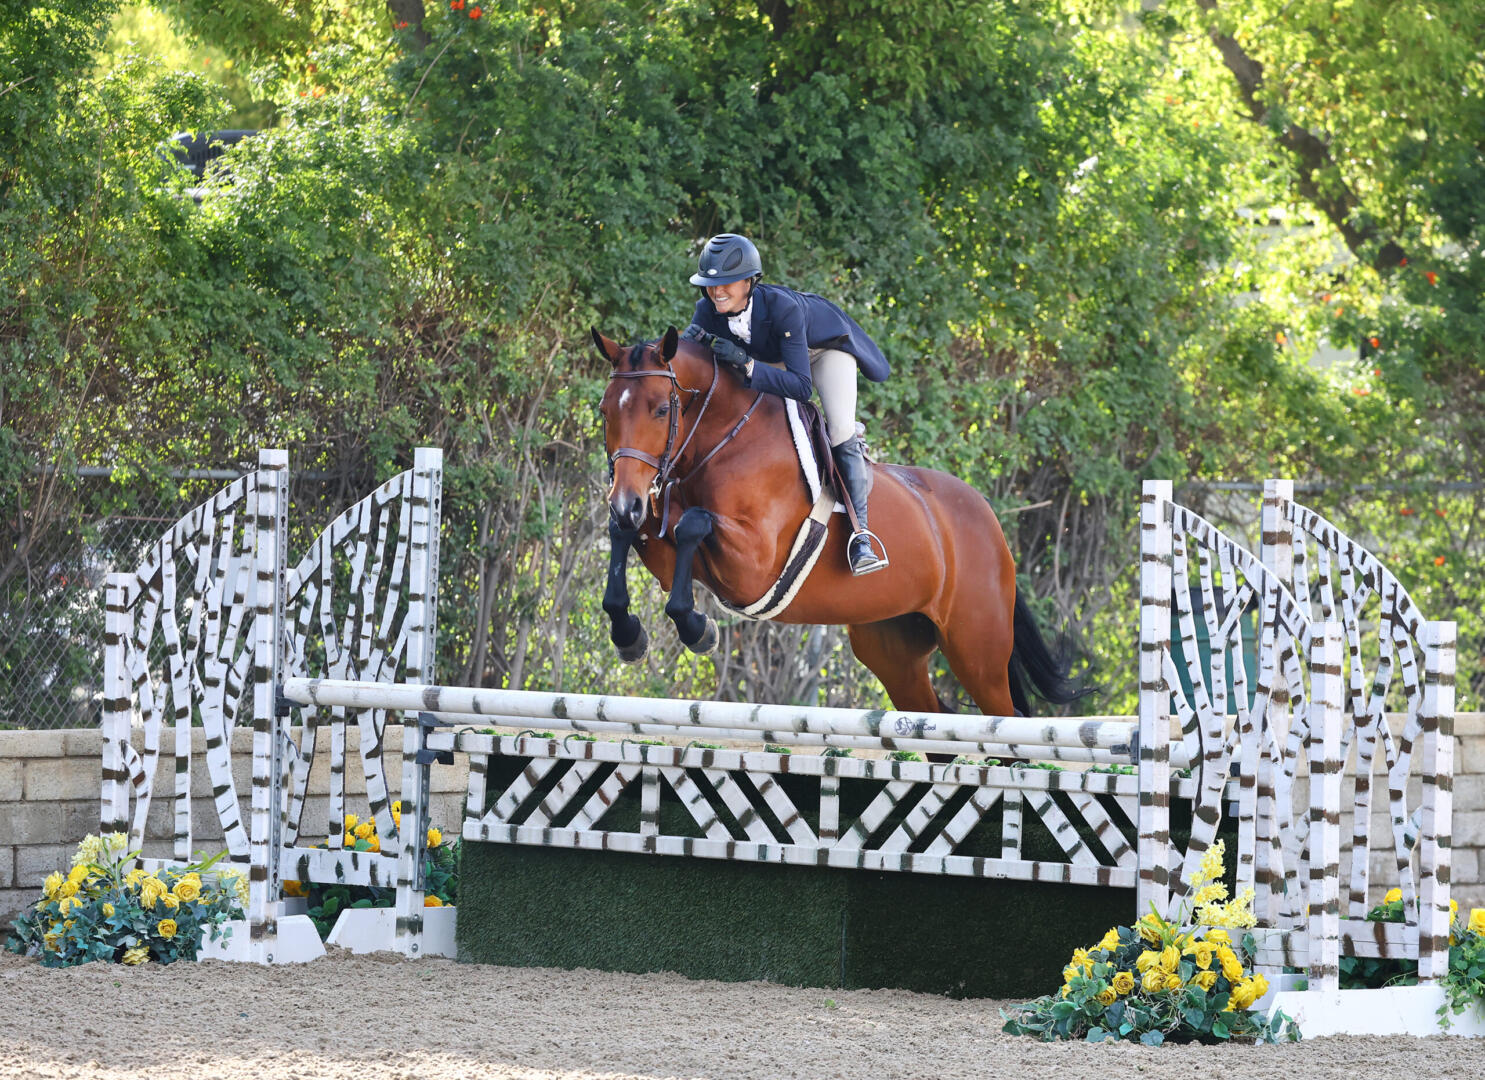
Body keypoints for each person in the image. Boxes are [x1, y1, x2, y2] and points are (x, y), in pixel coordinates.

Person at [680, 233, 891, 575]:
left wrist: (746, 365)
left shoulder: (782, 307)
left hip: (823, 352)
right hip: (774, 358)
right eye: (710, 284)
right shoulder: (707, 309)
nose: (717, 292)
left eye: (728, 284)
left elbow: (801, 386)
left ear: (749, 281)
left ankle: (861, 537)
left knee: (838, 427)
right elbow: (686, 345)